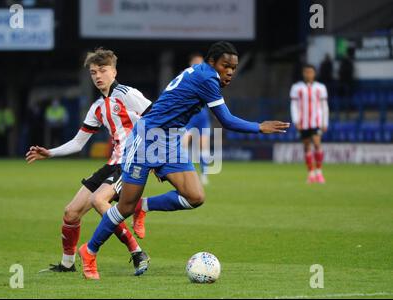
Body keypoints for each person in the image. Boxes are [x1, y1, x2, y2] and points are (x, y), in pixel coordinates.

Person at [77, 41, 290, 280]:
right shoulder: (208, 78)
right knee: (124, 207)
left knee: (195, 197)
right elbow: (227, 121)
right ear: (212, 63)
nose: (229, 71)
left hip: (171, 140)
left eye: (233, 67)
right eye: (225, 66)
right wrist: (259, 127)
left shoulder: (202, 73)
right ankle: (90, 250)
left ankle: (143, 206)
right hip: (148, 137)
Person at [25, 48, 151, 277]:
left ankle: (137, 252)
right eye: (93, 72)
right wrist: (50, 153)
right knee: (71, 213)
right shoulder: (97, 107)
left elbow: (157, 113)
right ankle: (67, 263)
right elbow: (78, 142)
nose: (97, 76)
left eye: (102, 70)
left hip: (133, 163)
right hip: (113, 163)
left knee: (98, 200)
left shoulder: (127, 94)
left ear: (114, 71)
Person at [290, 64, 329, 184]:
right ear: (303, 73)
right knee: (307, 146)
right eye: (306, 72)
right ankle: (311, 173)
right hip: (303, 122)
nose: (308, 74)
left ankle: (319, 172)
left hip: (316, 121)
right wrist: (296, 121)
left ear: (314, 73)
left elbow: (324, 106)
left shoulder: (321, 88)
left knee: (317, 143)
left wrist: (325, 121)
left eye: (311, 72)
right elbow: (294, 106)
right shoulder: (296, 88)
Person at [182, 53, 212, 185]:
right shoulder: (185, 77)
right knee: (182, 145)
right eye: (196, 63)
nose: (198, 66)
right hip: (189, 117)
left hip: (202, 117)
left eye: (200, 63)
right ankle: (184, 175)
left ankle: (204, 175)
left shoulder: (206, 78)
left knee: (203, 146)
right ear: (191, 64)